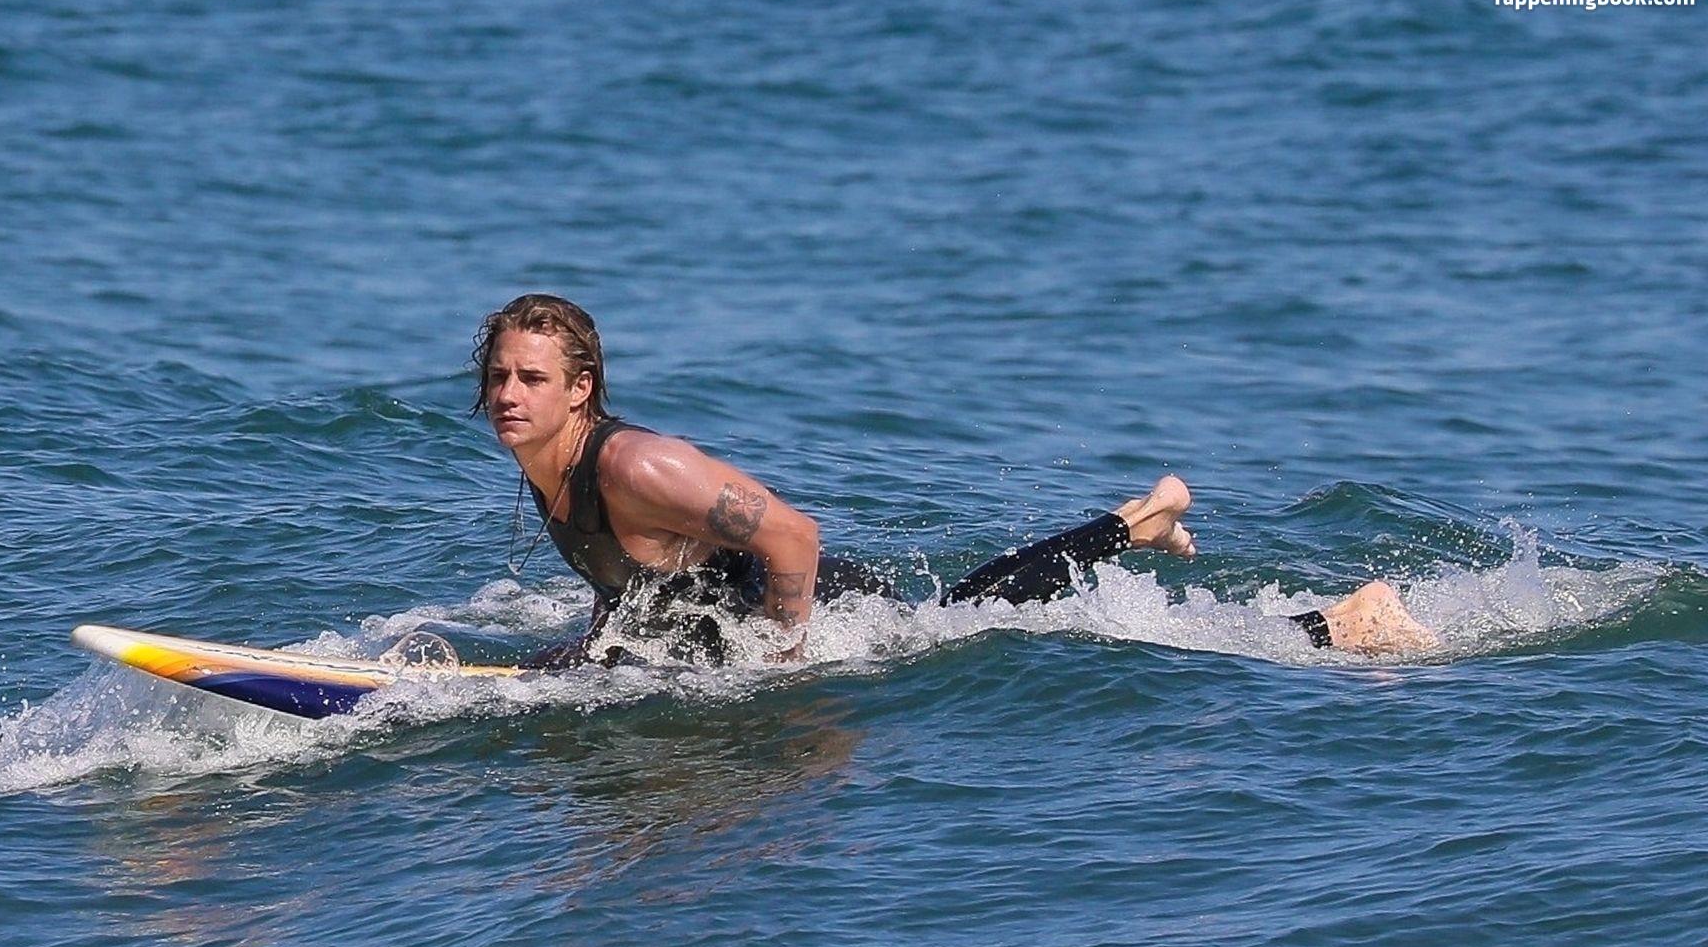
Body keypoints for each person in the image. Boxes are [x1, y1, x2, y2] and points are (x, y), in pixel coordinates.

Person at [470, 293, 1438, 668]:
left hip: (822, 610)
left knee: (1003, 625)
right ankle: (1136, 521)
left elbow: (793, 535)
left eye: (532, 378)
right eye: (500, 375)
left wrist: (786, 656)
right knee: (976, 607)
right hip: (731, 623)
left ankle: (1339, 624)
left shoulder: (633, 463)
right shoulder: (551, 467)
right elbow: (642, 578)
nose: (510, 394)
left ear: (581, 388)